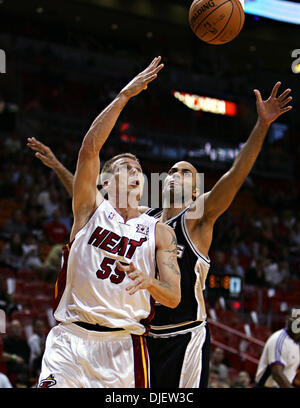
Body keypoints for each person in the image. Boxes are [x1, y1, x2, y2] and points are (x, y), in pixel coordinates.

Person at [28, 80, 293, 388]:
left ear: (196, 191)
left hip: (184, 334)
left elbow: (235, 175)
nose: (174, 175)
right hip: (142, 334)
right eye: (172, 171)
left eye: (185, 172)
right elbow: (90, 202)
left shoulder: (197, 220)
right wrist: (60, 167)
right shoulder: (147, 220)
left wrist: (261, 125)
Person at [35, 56, 181, 388]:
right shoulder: (89, 209)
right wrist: (124, 97)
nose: (134, 173)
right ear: (104, 183)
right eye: (125, 168)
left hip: (124, 348)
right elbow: (89, 149)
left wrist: (149, 281)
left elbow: (172, 296)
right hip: (70, 340)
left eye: (138, 169)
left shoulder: (160, 232)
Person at [254, 308, 300, 388]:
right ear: (288, 319)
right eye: (294, 318)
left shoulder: (297, 342)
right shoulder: (278, 340)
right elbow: (277, 374)